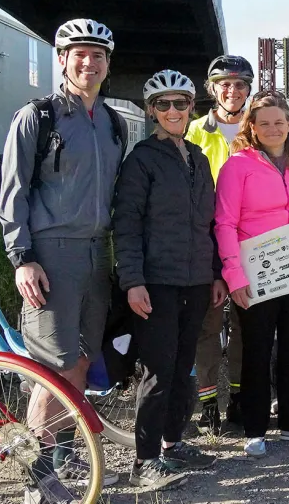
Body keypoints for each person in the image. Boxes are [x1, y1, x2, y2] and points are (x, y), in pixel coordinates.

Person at [0, 18, 125, 501]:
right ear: (62, 59)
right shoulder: (39, 116)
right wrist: (22, 256)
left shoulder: (112, 121)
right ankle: (36, 474)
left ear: (108, 64)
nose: (88, 62)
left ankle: (65, 459)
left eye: (97, 55)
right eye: (79, 54)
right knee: (50, 365)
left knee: (82, 361)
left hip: (96, 252)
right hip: (50, 253)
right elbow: (13, 193)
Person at [113, 70, 222, 490]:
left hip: (195, 280)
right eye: (164, 104)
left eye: (180, 103)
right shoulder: (141, 159)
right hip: (156, 280)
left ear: (191, 107)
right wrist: (132, 280)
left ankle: (173, 443)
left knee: (182, 367)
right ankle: (145, 460)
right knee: (158, 370)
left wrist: (214, 274)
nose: (173, 110)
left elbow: (208, 224)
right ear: (151, 110)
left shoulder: (197, 157)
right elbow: (126, 223)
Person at [215, 91, 289, 458]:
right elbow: (225, 222)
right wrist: (234, 276)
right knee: (257, 349)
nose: (273, 128)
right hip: (255, 272)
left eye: (279, 121)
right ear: (252, 127)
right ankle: (255, 426)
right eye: (264, 123)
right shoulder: (237, 165)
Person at [186, 54, 255, 434]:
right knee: (208, 326)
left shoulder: (259, 128)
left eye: (240, 85)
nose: (233, 91)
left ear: (248, 90)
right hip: (208, 241)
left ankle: (241, 397)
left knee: (247, 324)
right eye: (225, 84)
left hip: (251, 240)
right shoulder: (195, 130)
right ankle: (209, 400)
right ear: (212, 89)